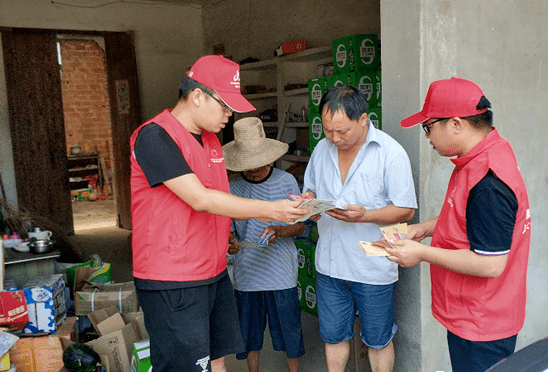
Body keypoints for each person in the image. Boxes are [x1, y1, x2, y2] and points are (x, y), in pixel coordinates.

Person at [129, 55, 310, 372]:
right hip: (174, 278)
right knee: (187, 366)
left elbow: (226, 200)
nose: (229, 114)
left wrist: (288, 209)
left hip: (213, 272)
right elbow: (200, 199)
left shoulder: (212, 141)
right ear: (197, 95)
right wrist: (271, 208)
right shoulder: (155, 136)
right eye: (225, 105)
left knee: (215, 359)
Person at [385, 77, 531, 372]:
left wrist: (421, 252)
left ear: (455, 124)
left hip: (482, 319)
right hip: (479, 310)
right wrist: (424, 229)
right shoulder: (485, 155)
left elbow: (490, 264)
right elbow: (472, 217)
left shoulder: (489, 180)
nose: (427, 136)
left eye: (428, 126)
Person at [302, 85, 417, 372]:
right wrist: (309, 207)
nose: (334, 138)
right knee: (333, 336)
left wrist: (366, 215)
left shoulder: (390, 152)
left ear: (363, 119)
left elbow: (406, 209)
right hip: (329, 264)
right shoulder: (321, 149)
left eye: (342, 131)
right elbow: (311, 191)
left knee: (378, 339)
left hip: (372, 265)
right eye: (328, 130)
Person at [223, 117, 306, 372]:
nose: (254, 171)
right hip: (248, 273)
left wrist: (280, 231)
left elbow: (301, 225)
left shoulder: (285, 182)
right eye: (247, 167)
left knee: (290, 331)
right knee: (250, 336)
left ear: (269, 158)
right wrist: (231, 244)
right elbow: (230, 232)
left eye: (258, 165)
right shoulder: (232, 187)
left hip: (281, 272)